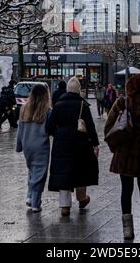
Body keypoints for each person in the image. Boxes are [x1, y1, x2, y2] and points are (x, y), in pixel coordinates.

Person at [104, 74, 140, 240]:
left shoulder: (122, 102)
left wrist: (115, 146)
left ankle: (127, 229)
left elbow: (109, 126)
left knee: (126, 188)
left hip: (125, 151)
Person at [48, 77, 99, 217]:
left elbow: (49, 126)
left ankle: (65, 206)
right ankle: (82, 199)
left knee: (64, 172)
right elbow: (90, 126)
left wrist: (58, 135)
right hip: (81, 142)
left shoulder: (58, 105)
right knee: (81, 171)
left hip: (62, 144)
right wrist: (95, 143)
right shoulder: (83, 105)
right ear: (78, 90)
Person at [16, 84, 52, 212]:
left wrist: (19, 145)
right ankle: (35, 203)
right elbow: (51, 129)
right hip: (41, 147)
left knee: (32, 170)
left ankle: (30, 196)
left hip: (27, 146)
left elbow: (20, 129)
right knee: (40, 174)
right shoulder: (47, 111)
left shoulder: (24, 108)